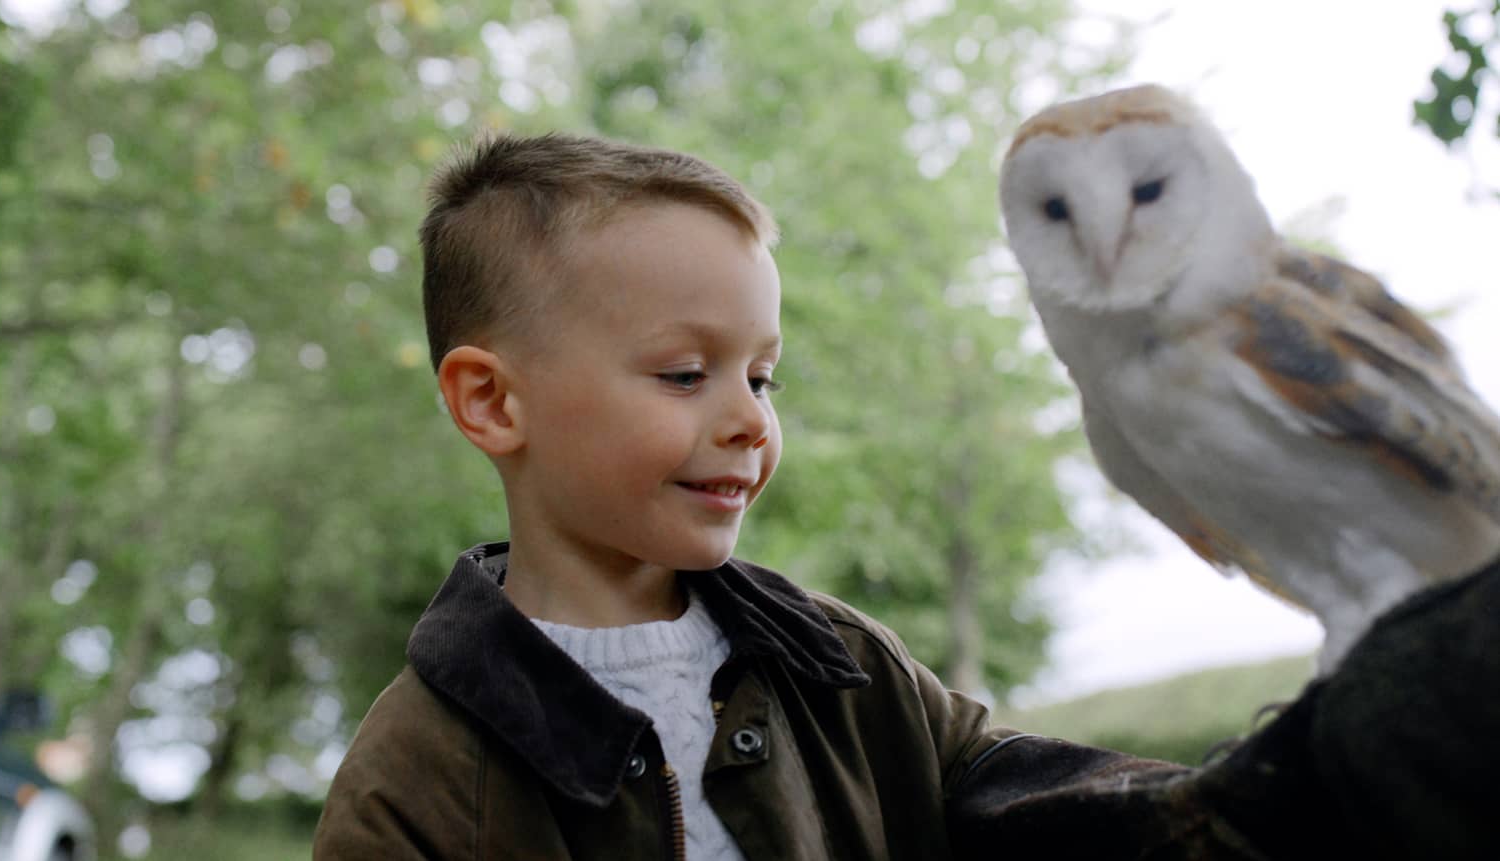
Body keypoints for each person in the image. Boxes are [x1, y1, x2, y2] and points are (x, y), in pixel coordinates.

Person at [313, 132, 1500, 860]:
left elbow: (1067, 822)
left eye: (763, 374)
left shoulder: (843, 670)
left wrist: (1314, 778)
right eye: (685, 374)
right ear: (491, 405)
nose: (749, 418)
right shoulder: (415, 785)